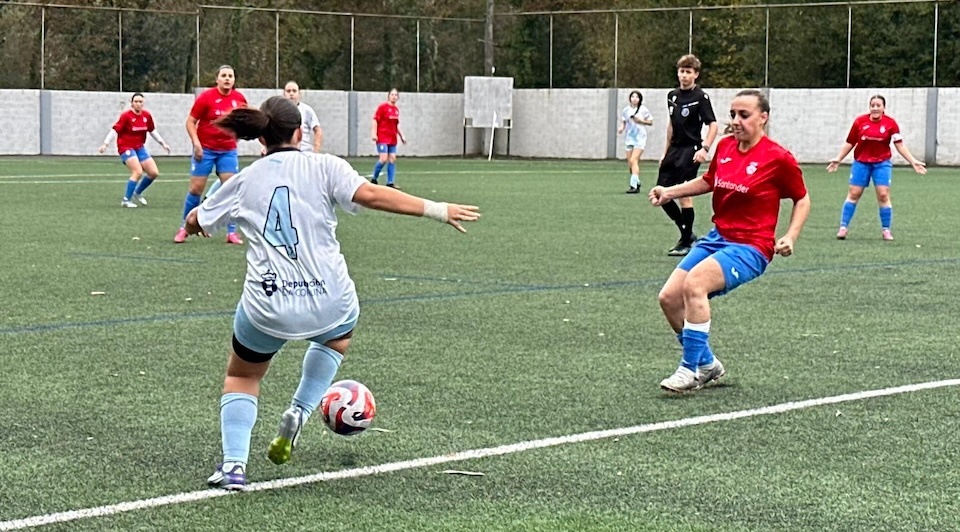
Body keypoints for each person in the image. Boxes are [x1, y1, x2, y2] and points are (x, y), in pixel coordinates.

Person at [183, 96, 480, 490]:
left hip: (268, 306)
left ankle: (234, 466)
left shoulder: (242, 181)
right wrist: (438, 209)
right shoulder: (325, 166)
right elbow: (373, 195)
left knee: (242, 376)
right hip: (330, 301)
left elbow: (195, 220)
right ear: (299, 133)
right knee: (339, 334)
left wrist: (196, 221)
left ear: (260, 139)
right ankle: (300, 412)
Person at [648, 89, 810, 393]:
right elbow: (710, 181)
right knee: (669, 298)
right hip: (717, 238)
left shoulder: (778, 158)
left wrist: (790, 236)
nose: (735, 121)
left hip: (752, 246)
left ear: (764, 118)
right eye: (733, 114)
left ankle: (689, 371)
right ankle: (707, 365)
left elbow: (802, 199)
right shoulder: (724, 147)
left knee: (694, 285)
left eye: (744, 115)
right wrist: (670, 192)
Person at [827, 94, 926, 241]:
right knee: (854, 193)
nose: (875, 108)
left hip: (882, 163)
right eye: (872, 105)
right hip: (861, 163)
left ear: (884, 108)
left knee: (883, 195)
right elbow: (850, 142)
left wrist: (912, 161)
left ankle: (886, 230)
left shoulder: (890, 124)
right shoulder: (860, 122)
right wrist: (839, 158)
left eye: (878, 105)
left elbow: (899, 145)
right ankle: (843, 228)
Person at [174, 65, 247, 244]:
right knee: (195, 189)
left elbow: (244, 122)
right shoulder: (206, 98)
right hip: (205, 150)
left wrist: (237, 138)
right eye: (224, 75)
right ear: (217, 79)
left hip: (228, 151)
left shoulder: (239, 100)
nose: (227, 78)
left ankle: (231, 232)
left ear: (234, 80)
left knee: (231, 190)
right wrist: (196, 144)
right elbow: (191, 122)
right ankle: (184, 228)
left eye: (230, 75)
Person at [657, 54, 718, 256]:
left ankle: (685, 240)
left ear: (696, 75)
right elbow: (671, 126)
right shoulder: (671, 96)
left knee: (684, 194)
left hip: (691, 150)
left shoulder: (701, 97)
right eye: (681, 71)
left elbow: (713, 125)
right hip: (674, 150)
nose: (684, 75)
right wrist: (665, 153)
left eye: (688, 72)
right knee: (661, 194)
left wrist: (705, 149)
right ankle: (688, 232)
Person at [98, 92, 170, 208]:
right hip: (125, 147)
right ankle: (126, 200)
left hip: (139, 147)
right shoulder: (126, 116)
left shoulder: (147, 116)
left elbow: (152, 130)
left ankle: (138, 192)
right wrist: (105, 144)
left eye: (140, 102)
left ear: (143, 103)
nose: (138, 104)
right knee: (137, 171)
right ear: (131, 103)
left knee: (153, 173)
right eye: (136, 102)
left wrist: (163, 143)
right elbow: (115, 130)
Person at [617, 90, 654, 194]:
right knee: (630, 164)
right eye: (632, 97)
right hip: (629, 138)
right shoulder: (626, 110)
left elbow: (650, 121)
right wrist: (621, 128)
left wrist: (641, 121)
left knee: (634, 160)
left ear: (640, 99)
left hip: (640, 138)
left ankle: (633, 186)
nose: (634, 99)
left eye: (637, 97)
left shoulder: (643, 110)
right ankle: (636, 182)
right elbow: (624, 122)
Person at [370, 88, 407, 188]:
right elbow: (375, 120)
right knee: (383, 159)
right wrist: (374, 134)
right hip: (382, 137)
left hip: (392, 138)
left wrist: (401, 136)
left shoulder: (396, 110)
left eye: (396, 95)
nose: (394, 97)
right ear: (388, 96)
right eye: (392, 95)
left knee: (392, 159)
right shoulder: (382, 107)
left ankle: (390, 182)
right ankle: (374, 178)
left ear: (398, 97)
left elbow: (396, 126)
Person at [283, 80, 323, 153]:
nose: (291, 94)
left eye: (294, 91)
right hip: (285, 152)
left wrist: (316, 150)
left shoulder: (307, 110)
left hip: (304, 152)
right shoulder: (279, 111)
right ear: (284, 94)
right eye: (288, 91)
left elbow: (317, 130)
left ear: (299, 94)